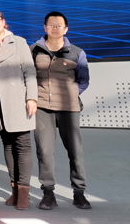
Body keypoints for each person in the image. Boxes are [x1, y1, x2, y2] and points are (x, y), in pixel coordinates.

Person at [31, 11, 91, 210]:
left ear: (66, 29)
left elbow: (83, 80)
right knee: (45, 151)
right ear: (45, 27)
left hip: (68, 108)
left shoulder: (77, 53)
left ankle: (79, 192)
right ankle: (48, 193)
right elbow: (28, 77)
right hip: (42, 107)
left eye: (59, 25)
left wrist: (72, 94)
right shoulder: (34, 50)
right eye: (51, 25)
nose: (55, 28)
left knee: (75, 151)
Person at [0, 9, 37, 210]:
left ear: (3, 21)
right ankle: (14, 190)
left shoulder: (18, 42)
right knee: (7, 143)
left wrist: (32, 97)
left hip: (17, 99)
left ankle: (24, 192)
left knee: (22, 143)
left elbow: (29, 71)